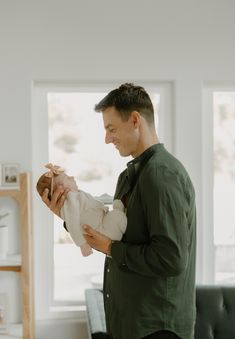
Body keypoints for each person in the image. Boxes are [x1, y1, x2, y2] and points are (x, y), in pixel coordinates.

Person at [41, 83, 196, 339]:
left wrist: (111, 249)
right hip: (131, 325)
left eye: (111, 129)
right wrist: (68, 216)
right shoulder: (130, 176)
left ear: (135, 120)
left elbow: (171, 257)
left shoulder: (161, 175)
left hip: (157, 328)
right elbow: (111, 234)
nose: (107, 138)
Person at [37, 163, 127, 256]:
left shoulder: (74, 197)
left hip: (103, 225)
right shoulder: (70, 198)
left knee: (115, 216)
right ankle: (119, 213)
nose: (72, 177)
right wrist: (82, 244)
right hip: (104, 231)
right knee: (117, 216)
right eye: (67, 178)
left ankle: (118, 213)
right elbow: (72, 224)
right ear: (60, 190)